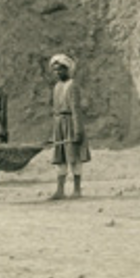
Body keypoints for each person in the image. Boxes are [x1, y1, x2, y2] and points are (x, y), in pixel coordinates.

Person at [49, 54, 90, 200]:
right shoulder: (57, 87)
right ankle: (60, 190)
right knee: (60, 158)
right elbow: (55, 110)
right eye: (55, 70)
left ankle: (77, 190)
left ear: (67, 70)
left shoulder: (72, 86)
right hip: (59, 125)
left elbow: (75, 109)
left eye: (60, 69)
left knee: (74, 157)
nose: (57, 73)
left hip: (71, 124)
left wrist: (78, 130)